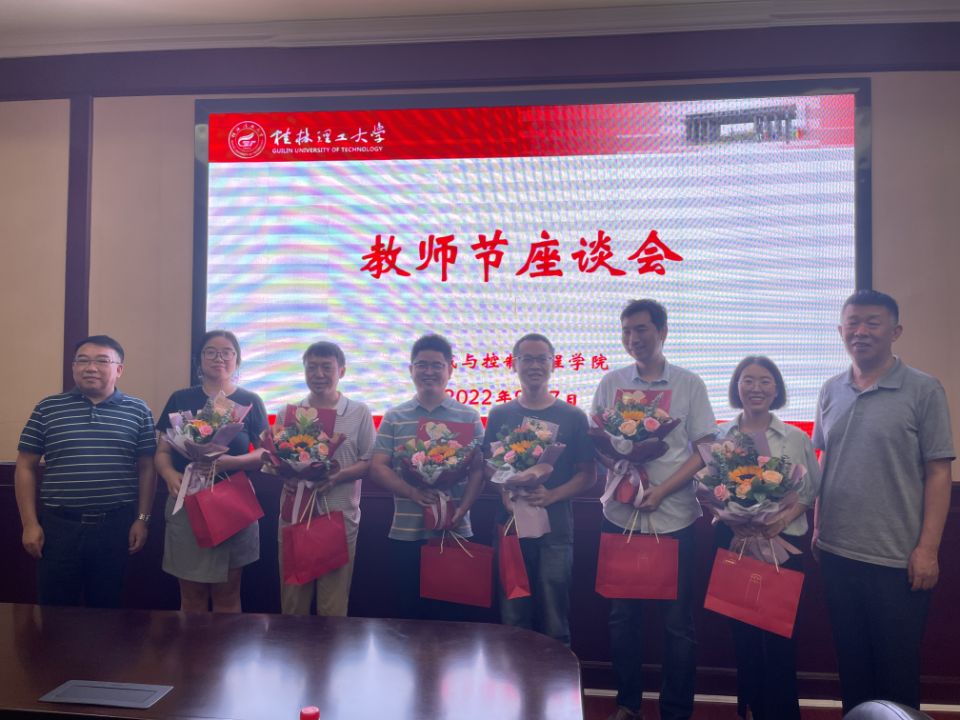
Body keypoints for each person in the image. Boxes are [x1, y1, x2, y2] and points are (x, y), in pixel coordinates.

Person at [813, 290, 954, 713]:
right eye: (852, 323)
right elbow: (825, 460)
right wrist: (818, 527)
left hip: (897, 559)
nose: (860, 331)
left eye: (872, 323)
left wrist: (928, 549)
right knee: (852, 666)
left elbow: (938, 472)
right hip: (837, 553)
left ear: (895, 331)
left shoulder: (924, 389)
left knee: (896, 674)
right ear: (840, 331)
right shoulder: (831, 390)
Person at [591, 299, 716, 720]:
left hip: (673, 517)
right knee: (622, 618)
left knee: (677, 624)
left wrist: (662, 489)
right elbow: (597, 441)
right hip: (621, 516)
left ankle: (675, 711)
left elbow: (705, 448)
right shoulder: (611, 383)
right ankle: (628, 704)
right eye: (626, 331)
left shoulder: (688, 384)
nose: (633, 338)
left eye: (642, 329)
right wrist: (620, 465)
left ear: (662, 332)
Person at [713, 356, 820, 720]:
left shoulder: (795, 438)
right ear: (736, 387)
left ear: (777, 389)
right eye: (747, 380)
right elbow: (709, 491)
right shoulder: (722, 437)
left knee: (780, 641)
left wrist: (782, 519)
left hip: (783, 548)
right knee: (742, 638)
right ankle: (750, 711)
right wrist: (731, 520)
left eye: (764, 381)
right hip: (737, 545)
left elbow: (810, 491)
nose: (755, 388)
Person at [15, 335, 157, 607]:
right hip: (58, 527)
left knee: (108, 611)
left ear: (119, 369)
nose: (90, 368)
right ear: (73, 367)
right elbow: (25, 465)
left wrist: (142, 519)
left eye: (102, 361)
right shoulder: (48, 408)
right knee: (55, 613)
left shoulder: (138, 410)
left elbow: (147, 468)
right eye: (83, 360)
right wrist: (30, 524)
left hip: (116, 527)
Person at [483, 333, 595, 646]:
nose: (534, 365)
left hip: (555, 532)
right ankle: (515, 677)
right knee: (513, 618)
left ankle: (558, 680)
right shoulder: (500, 414)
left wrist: (551, 496)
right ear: (514, 364)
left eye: (542, 359)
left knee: (555, 619)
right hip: (510, 528)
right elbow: (487, 466)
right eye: (527, 359)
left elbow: (588, 475)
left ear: (553, 364)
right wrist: (504, 491)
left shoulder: (572, 416)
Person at [369, 333, 485, 620]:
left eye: (437, 365)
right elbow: (377, 467)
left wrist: (463, 509)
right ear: (411, 370)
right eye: (422, 365)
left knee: (454, 619)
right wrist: (413, 492)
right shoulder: (395, 416)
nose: (429, 371)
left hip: (454, 529)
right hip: (407, 531)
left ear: (450, 370)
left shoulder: (468, 416)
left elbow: (479, 470)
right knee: (410, 615)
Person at [154, 330, 269, 613]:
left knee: (228, 593)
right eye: (211, 352)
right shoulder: (180, 398)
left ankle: (225, 645)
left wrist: (232, 462)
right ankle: (192, 645)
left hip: (233, 503)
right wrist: (168, 474)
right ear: (200, 359)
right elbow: (162, 451)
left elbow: (264, 453)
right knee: (191, 594)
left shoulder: (250, 400)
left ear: (237, 360)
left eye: (227, 352)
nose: (219, 358)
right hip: (187, 500)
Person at [278, 341, 375, 616]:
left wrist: (338, 476)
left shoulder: (359, 412)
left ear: (341, 371)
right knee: (293, 602)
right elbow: (277, 459)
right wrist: (286, 474)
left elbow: (369, 462)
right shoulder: (289, 413)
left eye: (326, 367)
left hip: (339, 518)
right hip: (295, 516)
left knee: (332, 606)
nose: (318, 374)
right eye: (312, 367)